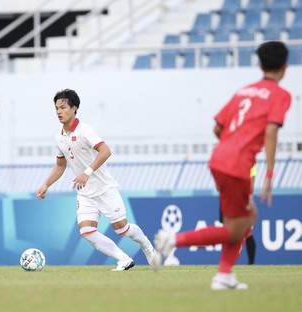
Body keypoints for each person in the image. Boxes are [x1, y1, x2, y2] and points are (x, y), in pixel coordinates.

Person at [152, 41, 291, 290]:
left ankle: (224, 275)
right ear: (285, 67)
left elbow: (217, 126)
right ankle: (173, 240)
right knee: (237, 229)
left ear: (259, 64)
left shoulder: (243, 91)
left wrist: (232, 144)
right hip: (238, 164)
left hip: (219, 158)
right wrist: (269, 175)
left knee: (247, 220)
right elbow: (271, 132)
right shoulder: (281, 95)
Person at [36, 89, 155, 271]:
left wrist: (87, 172)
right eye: (56, 108)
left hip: (104, 188)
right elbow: (60, 166)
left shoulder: (84, 130)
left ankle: (146, 245)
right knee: (86, 232)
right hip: (85, 192)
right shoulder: (59, 138)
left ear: (74, 108)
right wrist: (46, 184)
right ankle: (123, 259)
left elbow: (106, 151)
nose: (59, 112)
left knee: (122, 229)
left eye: (63, 107)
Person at [218, 165, 257, 265]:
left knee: (246, 233)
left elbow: (251, 181)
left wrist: (248, 198)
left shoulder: (249, 161)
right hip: (228, 199)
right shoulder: (232, 159)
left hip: (238, 199)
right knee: (229, 233)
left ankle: (249, 263)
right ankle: (227, 263)